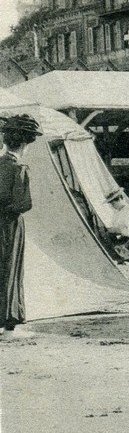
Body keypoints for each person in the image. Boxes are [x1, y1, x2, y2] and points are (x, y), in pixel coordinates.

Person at [0, 114, 42, 333]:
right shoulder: (19, 169)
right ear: (24, 144)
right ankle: (8, 324)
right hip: (9, 225)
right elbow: (23, 203)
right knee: (10, 267)